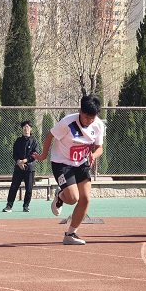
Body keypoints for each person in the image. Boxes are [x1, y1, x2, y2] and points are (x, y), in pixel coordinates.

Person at [33, 95, 105, 245]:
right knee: (73, 199)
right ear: (80, 111)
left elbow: (99, 148)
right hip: (62, 163)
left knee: (86, 199)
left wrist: (93, 155)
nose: (89, 121)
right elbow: (49, 135)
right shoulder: (67, 122)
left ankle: (70, 234)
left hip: (82, 163)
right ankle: (60, 196)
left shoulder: (98, 125)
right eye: (86, 117)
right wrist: (43, 155)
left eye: (92, 118)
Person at [2, 120, 40, 213]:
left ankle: (26, 206)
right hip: (18, 168)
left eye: (28, 127)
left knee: (29, 188)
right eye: (24, 127)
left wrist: (25, 160)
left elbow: (35, 154)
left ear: (31, 129)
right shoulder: (18, 141)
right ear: (22, 129)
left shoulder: (34, 141)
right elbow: (15, 154)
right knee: (14, 187)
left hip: (30, 168)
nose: (26, 129)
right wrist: (19, 161)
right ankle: (9, 206)